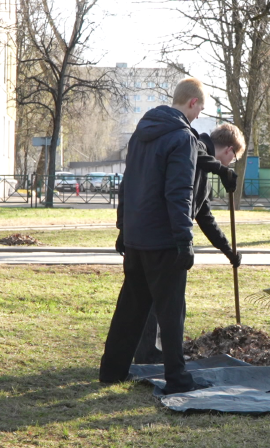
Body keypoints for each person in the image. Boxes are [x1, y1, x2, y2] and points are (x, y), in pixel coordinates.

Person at [99, 77, 210, 394]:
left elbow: (127, 183)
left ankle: (112, 370)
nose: (199, 115)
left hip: (135, 238)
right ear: (191, 103)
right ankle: (177, 377)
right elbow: (179, 193)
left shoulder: (141, 134)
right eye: (200, 108)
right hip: (163, 241)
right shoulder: (182, 138)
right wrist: (184, 239)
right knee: (172, 312)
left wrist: (123, 228)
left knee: (130, 310)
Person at [133, 123, 246, 364]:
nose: (230, 165)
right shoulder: (192, 149)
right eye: (233, 160)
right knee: (160, 300)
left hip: (161, 234)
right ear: (229, 150)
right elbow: (179, 197)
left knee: (164, 299)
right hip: (163, 235)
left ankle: (156, 352)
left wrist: (228, 249)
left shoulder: (202, 167)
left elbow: (203, 215)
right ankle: (150, 355)